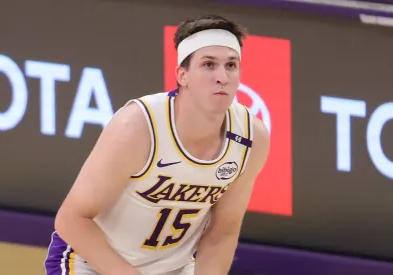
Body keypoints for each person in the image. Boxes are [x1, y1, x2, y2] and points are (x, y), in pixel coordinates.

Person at [44, 14, 270, 275]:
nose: (222, 76)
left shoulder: (252, 137)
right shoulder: (138, 127)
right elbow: (71, 220)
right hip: (92, 262)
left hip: (174, 267)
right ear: (182, 75)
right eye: (209, 65)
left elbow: (222, 232)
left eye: (231, 65)